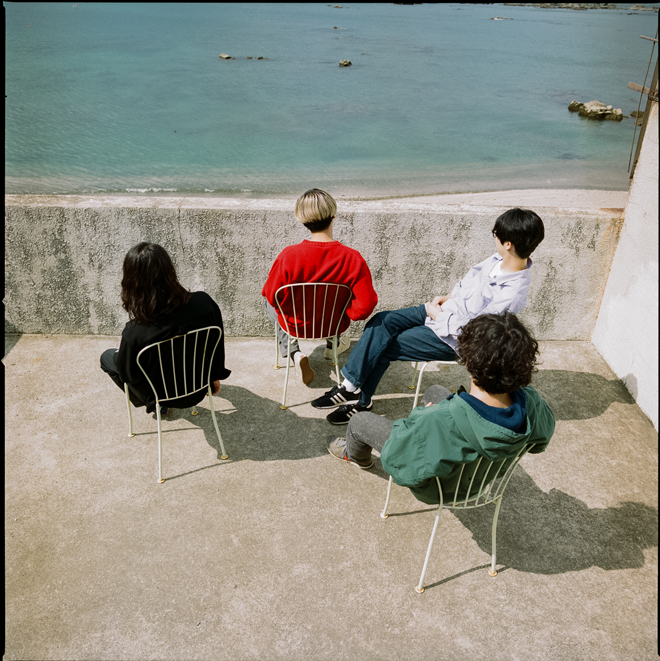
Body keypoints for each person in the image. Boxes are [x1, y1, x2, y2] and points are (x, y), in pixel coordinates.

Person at [312, 208, 545, 424]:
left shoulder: (511, 295)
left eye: (496, 235)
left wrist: (439, 316)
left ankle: (361, 402)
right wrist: (448, 297)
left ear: (508, 244)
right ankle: (350, 386)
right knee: (381, 321)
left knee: (384, 345)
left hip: (452, 339)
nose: (494, 239)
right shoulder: (497, 260)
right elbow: (467, 285)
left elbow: (476, 335)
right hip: (443, 311)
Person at [326, 312, 555, 506]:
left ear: (470, 360)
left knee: (359, 421)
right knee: (435, 390)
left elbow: (399, 464)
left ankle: (356, 457)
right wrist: (437, 415)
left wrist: (421, 418)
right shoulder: (531, 402)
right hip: (481, 477)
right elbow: (539, 443)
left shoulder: (437, 420)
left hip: (440, 488)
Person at [262, 188, 378, 385]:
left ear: (302, 220)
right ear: (333, 216)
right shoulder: (352, 258)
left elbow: (272, 296)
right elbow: (364, 308)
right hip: (332, 325)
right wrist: (343, 311)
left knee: (267, 300)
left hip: (295, 326)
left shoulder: (288, 256)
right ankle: (333, 342)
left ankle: (294, 352)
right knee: (338, 300)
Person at [100, 242, 231, 415]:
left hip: (159, 396)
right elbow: (217, 346)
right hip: (199, 388)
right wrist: (214, 376)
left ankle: (158, 406)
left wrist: (121, 356)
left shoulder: (134, 333)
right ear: (169, 270)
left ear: (131, 282)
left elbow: (128, 376)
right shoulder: (205, 304)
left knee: (108, 357)